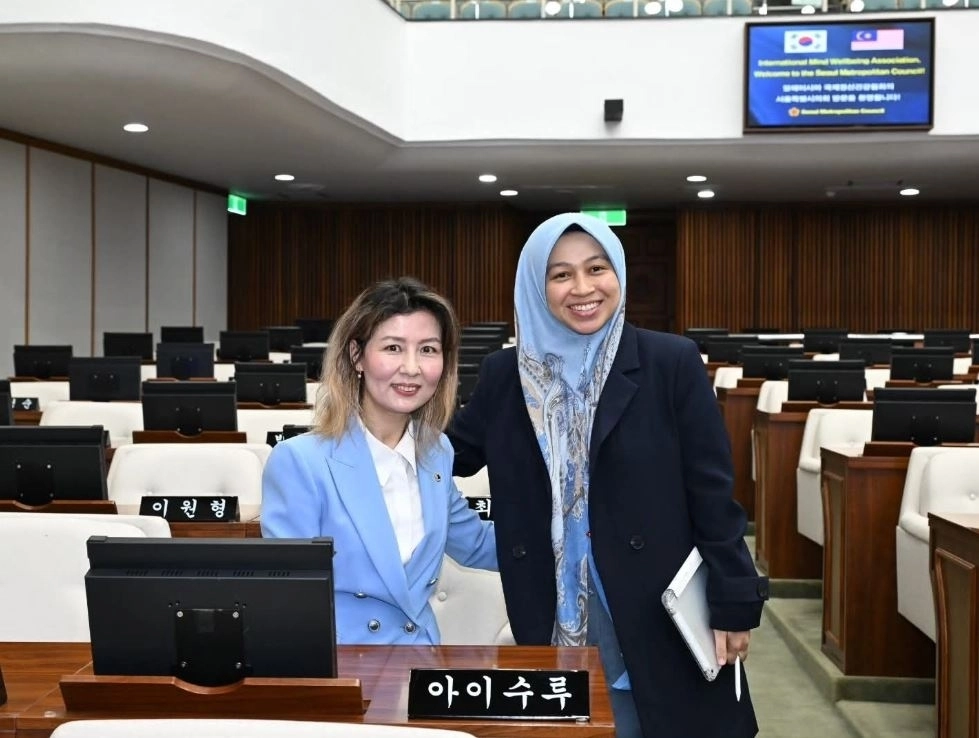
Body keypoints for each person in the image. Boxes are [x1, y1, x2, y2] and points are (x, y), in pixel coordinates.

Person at [448, 213, 768, 738]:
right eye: (560, 274)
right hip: (552, 606)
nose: (583, 288)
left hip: (658, 606)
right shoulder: (506, 376)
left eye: (596, 268)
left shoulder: (672, 362)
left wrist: (734, 599)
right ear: (536, 284)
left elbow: (713, 494)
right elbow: (447, 458)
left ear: (617, 271)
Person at [262, 276, 497, 645]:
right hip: (341, 669)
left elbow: (477, 545)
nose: (411, 367)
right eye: (392, 347)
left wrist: (573, 533)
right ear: (357, 356)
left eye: (428, 350)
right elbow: (290, 598)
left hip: (422, 667)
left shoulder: (436, 452)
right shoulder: (299, 462)